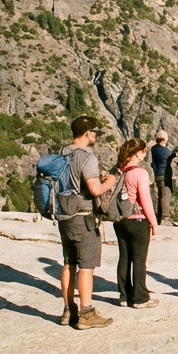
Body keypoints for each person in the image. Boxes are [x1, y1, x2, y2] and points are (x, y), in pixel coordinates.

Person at [59, 116, 115, 329]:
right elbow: (94, 189)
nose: (96, 135)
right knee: (86, 266)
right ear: (87, 134)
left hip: (64, 216)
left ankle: (68, 309)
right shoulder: (87, 158)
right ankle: (87, 313)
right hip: (82, 216)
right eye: (94, 132)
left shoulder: (62, 153)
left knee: (68, 263)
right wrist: (110, 181)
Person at [113, 138, 159, 309]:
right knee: (139, 259)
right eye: (143, 151)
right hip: (138, 220)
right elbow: (145, 201)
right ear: (137, 153)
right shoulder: (140, 173)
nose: (144, 154)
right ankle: (140, 298)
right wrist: (153, 223)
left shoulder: (118, 171)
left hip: (119, 220)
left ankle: (124, 296)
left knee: (124, 258)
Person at [149, 130, 176, 226]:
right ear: (164, 139)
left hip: (157, 175)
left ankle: (159, 216)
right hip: (165, 176)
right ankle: (165, 217)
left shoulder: (153, 149)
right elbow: (176, 159)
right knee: (166, 195)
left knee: (161, 195)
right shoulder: (166, 151)